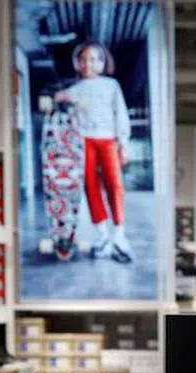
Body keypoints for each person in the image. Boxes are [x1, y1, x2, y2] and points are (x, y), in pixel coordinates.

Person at [56, 41, 131, 263]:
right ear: (77, 63)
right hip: (84, 142)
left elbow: (121, 114)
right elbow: (58, 102)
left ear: (102, 62)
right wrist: (58, 98)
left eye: (94, 59)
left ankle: (119, 235)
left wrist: (123, 143)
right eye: (84, 59)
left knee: (115, 185)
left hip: (108, 140)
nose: (89, 63)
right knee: (90, 186)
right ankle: (102, 236)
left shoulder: (111, 86)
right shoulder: (74, 90)